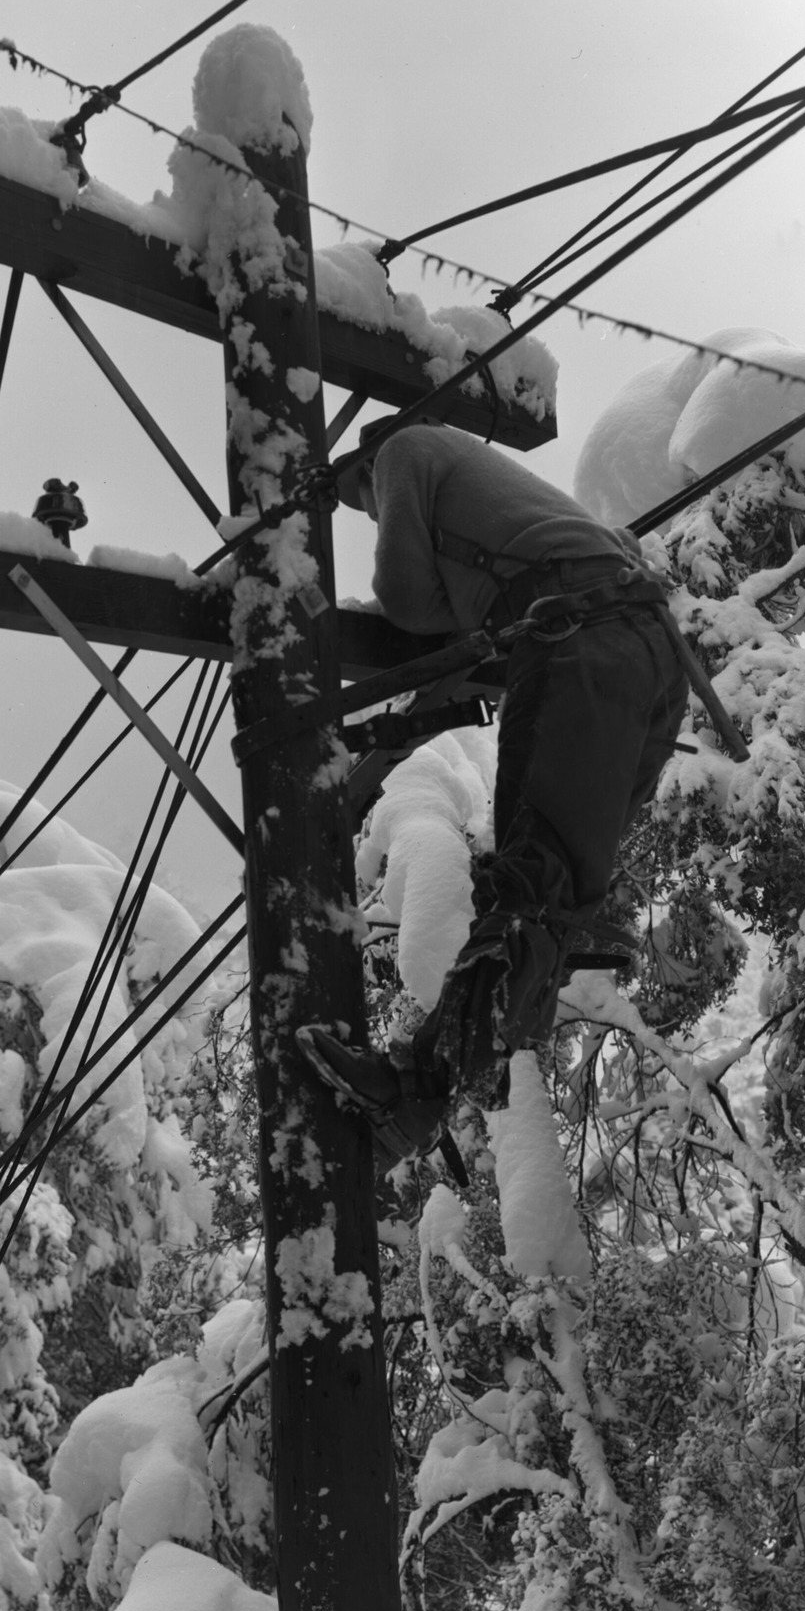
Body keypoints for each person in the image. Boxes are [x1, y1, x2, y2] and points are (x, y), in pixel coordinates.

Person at [297, 419, 690, 1172]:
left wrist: (448, 594)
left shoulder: (404, 449)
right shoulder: (511, 494)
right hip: (654, 655)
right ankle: (501, 1011)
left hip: (579, 637)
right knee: (555, 884)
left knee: (531, 883)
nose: (376, 513)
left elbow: (404, 597)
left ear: (367, 468)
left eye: (367, 503)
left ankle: (417, 1089)